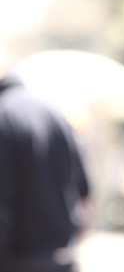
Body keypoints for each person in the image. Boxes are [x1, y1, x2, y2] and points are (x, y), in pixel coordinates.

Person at [0, 72, 91, 272]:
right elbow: (84, 190)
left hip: (17, 259)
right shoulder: (56, 113)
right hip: (61, 255)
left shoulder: (3, 114)